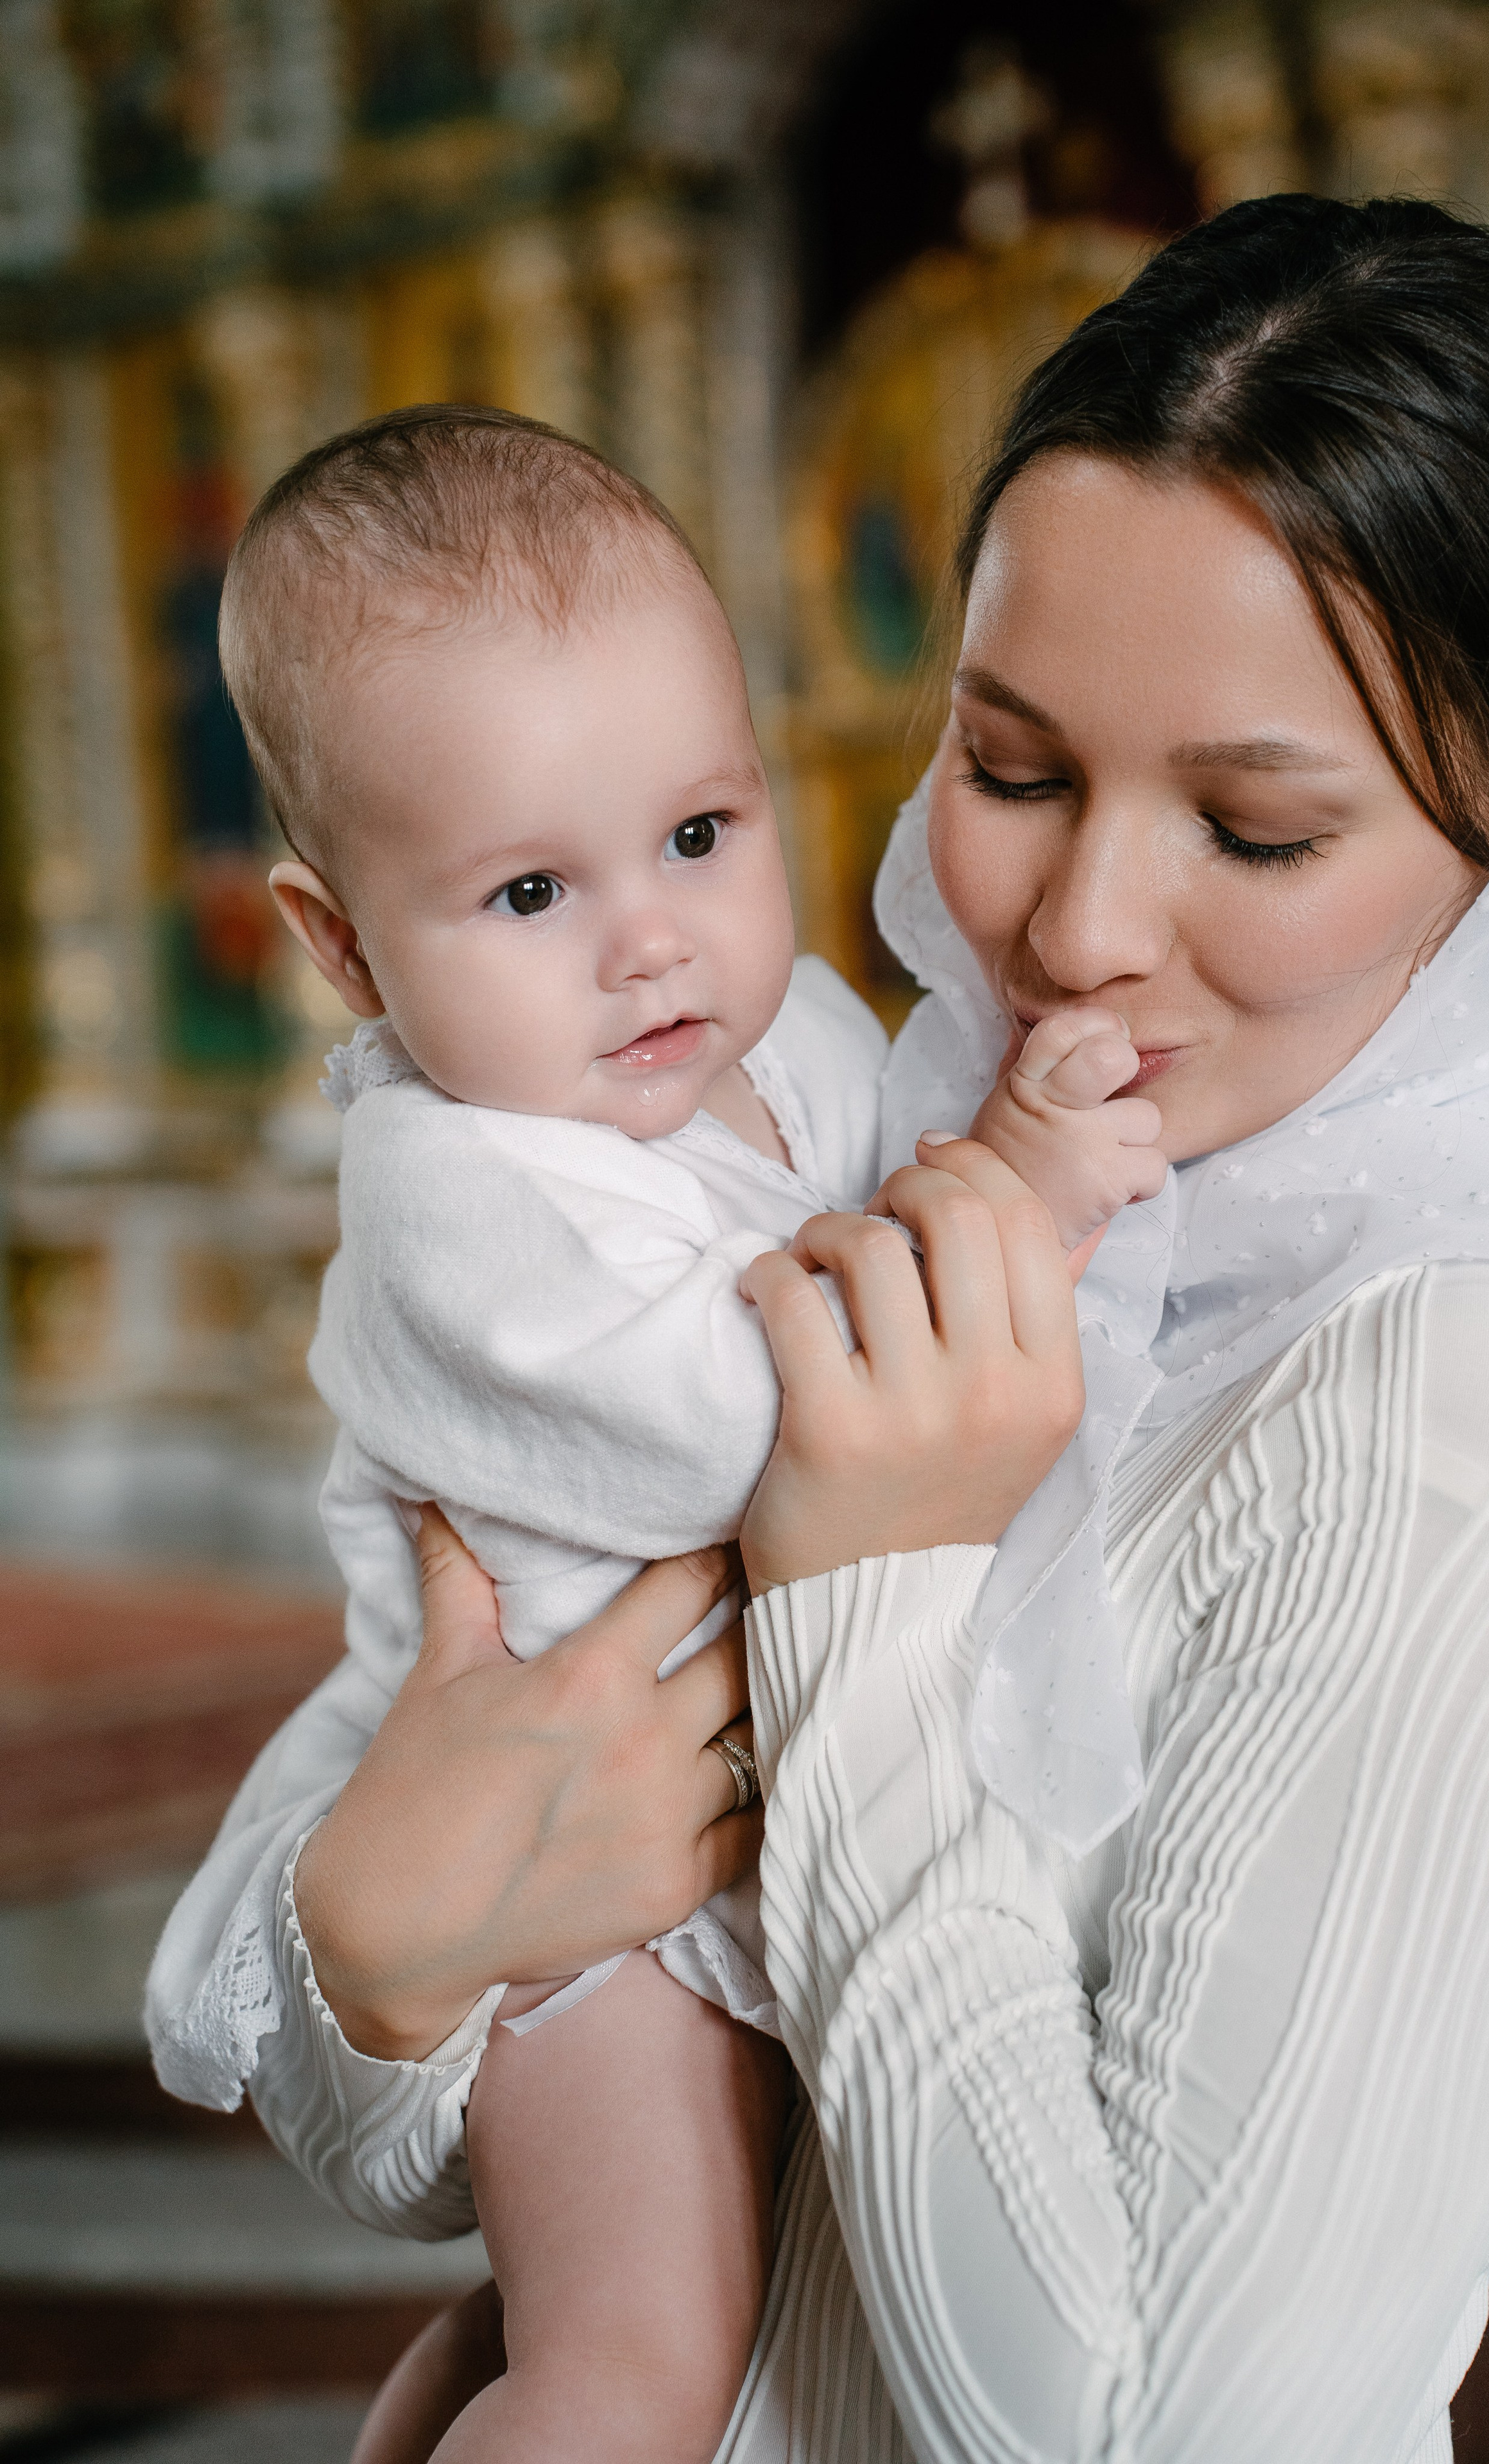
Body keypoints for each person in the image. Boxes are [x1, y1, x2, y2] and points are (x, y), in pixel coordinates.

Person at [147, 193, 1489, 2464]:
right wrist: (385, 1950)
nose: (1078, 926)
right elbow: (424, 2139)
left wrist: (867, 1581)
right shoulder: (916, 1111)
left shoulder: (1464, 1425)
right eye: (1015, 770)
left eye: (1253, 829)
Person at [186, 403, 1167, 2463]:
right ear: (344, 944)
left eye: (700, 837)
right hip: (585, 1918)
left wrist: (975, 1154)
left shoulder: (782, 1028)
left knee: (687, 2333)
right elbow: (754, 1436)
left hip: (738, 1807)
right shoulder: (458, 1194)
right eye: (533, 886)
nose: (649, 937)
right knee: (639, 2375)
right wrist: (1029, 1194)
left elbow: (894, 1159)